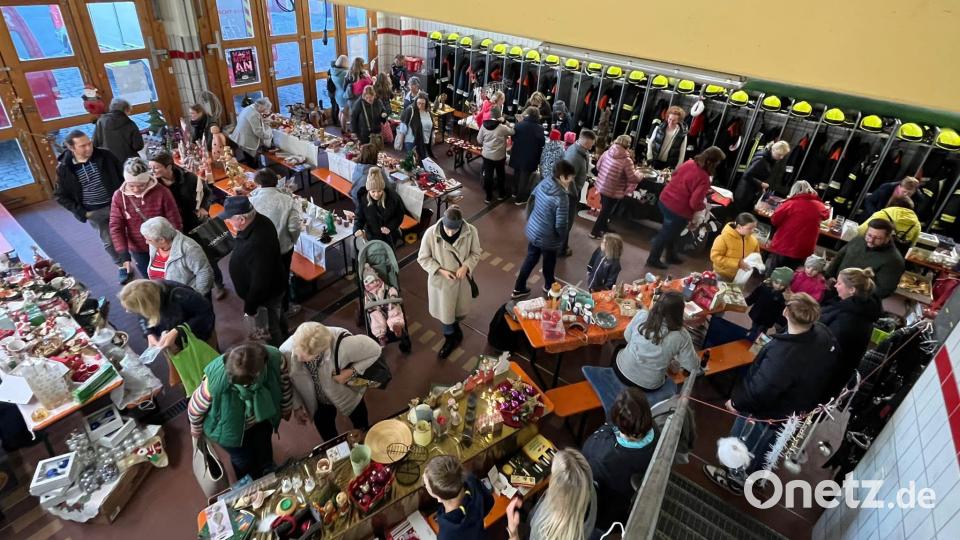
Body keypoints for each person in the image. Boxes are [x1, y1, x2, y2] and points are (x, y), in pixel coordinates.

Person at [704, 293, 838, 495]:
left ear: (786, 312)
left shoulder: (784, 353)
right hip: (791, 411)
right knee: (765, 447)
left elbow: (762, 389)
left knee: (745, 446)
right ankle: (755, 476)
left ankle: (735, 480)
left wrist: (737, 402)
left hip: (766, 413)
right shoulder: (822, 334)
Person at [188, 342, 293, 480]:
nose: (247, 388)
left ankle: (267, 468)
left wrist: (286, 406)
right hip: (228, 429)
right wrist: (196, 430)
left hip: (261, 417)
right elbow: (194, 409)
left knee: (264, 445)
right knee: (243, 459)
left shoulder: (275, 358)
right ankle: (249, 480)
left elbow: (285, 383)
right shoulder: (214, 383)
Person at [283, 322, 379, 440]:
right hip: (317, 400)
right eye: (297, 350)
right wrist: (297, 406)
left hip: (346, 392)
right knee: (327, 434)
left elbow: (375, 350)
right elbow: (289, 380)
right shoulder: (286, 351)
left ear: (320, 351)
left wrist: (351, 372)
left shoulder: (345, 345)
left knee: (360, 422)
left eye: (305, 356)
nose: (298, 357)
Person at [54, 130, 126, 282]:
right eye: (83, 146)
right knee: (109, 241)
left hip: (117, 204)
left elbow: (123, 175)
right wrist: (83, 213)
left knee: (133, 232)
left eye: (89, 143)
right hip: (94, 211)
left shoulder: (105, 156)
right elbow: (60, 196)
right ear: (71, 148)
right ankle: (121, 266)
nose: (89, 148)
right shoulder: (64, 168)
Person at [582, 388, 657, 532]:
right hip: (622, 508)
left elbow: (586, 454)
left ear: (618, 422)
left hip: (601, 511)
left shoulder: (605, 456)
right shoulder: (656, 432)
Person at [219, 196, 288, 345]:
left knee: (270, 328)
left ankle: (280, 351)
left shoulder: (257, 242)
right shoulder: (261, 221)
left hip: (266, 295)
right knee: (277, 314)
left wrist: (250, 306)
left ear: (242, 219)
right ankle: (285, 335)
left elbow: (260, 281)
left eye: (230, 219)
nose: (228, 221)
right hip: (275, 285)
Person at [417, 206, 482, 358]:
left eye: (455, 229)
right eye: (448, 229)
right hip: (442, 284)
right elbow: (423, 258)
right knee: (445, 314)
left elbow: (476, 253)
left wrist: (466, 266)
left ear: (461, 224)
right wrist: (440, 270)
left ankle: (456, 326)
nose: (450, 233)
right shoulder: (431, 233)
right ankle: (449, 339)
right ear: (443, 222)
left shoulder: (471, 231)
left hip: (461, 282)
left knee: (459, 312)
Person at [614, 291, 699, 405]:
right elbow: (693, 366)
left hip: (621, 372)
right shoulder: (682, 335)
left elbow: (627, 336)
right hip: (648, 385)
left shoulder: (643, 315)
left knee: (619, 347)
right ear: (680, 313)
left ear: (657, 304)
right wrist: (672, 355)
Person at [647, 147, 726, 269]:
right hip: (678, 209)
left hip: (664, 200)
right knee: (667, 234)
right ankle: (653, 259)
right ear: (712, 162)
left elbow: (674, 174)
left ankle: (671, 255)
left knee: (673, 231)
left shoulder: (689, 163)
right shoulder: (704, 178)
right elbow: (694, 203)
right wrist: (703, 206)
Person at [109, 157, 182, 279]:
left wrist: (175, 244)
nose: (136, 189)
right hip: (139, 248)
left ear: (148, 179)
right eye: (131, 186)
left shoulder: (162, 192)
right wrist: (124, 255)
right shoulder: (119, 196)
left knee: (173, 275)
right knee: (150, 278)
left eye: (141, 185)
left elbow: (174, 219)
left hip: (164, 244)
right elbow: (116, 227)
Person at [511, 160, 573, 298]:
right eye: (570, 177)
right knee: (549, 262)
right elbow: (561, 224)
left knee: (531, 259)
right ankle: (549, 286)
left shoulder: (544, 182)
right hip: (549, 237)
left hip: (535, 230)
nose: (571, 180)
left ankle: (518, 287)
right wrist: (562, 238)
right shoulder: (562, 197)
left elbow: (531, 201)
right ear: (562, 177)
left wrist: (531, 220)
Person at [506, 448, 598, 540]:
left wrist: (513, 533)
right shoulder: (587, 488)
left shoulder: (544, 531)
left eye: (552, 474)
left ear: (560, 493)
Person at [821, 267, 882, 396]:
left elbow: (827, 348)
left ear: (852, 290)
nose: (835, 286)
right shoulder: (859, 308)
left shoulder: (849, 320)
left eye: (839, 283)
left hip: (826, 378)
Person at [249, 169, 301, 314]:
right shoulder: (287, 200)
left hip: (259, 250)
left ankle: (267, 307)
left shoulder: (251, 201)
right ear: (276, 182)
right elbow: (294, 227)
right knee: (283, 277)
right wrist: (292, 240)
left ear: (258, 184)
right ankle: (285, 308)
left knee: (264, 277)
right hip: (282, 248)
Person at [119, 278, 216, 350]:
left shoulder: (179, 294)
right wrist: (149, 333)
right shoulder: (148, 298)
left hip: (200, 339)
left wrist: (178, 331)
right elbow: (142, 316)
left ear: (148, 304)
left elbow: (206, 313)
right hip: (174, 343)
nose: (127, 312)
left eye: (132, 310)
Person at [824, 219, 905, 298]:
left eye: (878, 238)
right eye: (869, 235)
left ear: (888, 238)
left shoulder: (894, 260)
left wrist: (853, 296)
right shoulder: (859, 239)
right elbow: (839, 257)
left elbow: (883, 291)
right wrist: (827, 276)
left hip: (856, 300)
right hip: (835, 286)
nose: (871, 240)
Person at [140, 217, 214, 298]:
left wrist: (196, 298)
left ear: (162, 240)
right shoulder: (154, 245)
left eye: (149, 240)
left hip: (187, 298)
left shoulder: (189, 248)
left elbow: (204, 273)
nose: (146, 242)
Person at [423, 455, 493, 540]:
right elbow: (490, 501)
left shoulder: (447, 535)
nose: (425, 486)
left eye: (426, 486)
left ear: (439, 498)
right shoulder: (470, 479)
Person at [765, 180, 829, 273]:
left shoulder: (790, 204)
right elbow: (826, 216)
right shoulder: (820, 206)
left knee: (773, 271)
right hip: (804, 248)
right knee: (790, 273)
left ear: (794, 190)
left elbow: (774, 220)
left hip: (785, 244)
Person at [589, 135, 643, 238]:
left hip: (602, 186)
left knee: (605, 209)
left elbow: (598, 167)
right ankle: (594, 232)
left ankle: (604, 227)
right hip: (614, 190)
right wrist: (640, 174)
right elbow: (633, 178)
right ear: (628, 145)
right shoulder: (627, 160)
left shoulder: (606, 152)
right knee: (605, 212)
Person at [148, 150, 210, 234]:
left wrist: (203, 207)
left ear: (169, 167)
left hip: (196, 220)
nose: (152, 171)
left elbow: (207, 192)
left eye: (155, 168)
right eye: (150, 168)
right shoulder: (153, 185)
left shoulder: (189, 177)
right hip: (173, 226)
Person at [561, 129, 596, 256]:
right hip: (569, 194)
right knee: (566, 222)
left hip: (570, 192)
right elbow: (567, 178)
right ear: (584, 142)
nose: (591, 147)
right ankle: (561, 249)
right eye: (590, 145)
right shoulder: (575, 156)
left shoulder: (581, 151)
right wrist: (575, 193)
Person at [732, 141, 790, 215]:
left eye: (783, 155)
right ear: (773, 150)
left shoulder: (768, 159)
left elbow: (757, 175)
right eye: (779, 154)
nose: (781, 157)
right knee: (738, 215)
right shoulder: (762, 160)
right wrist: (761, 184)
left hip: (749, 191)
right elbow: (747, 175)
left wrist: (761, 186)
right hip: (745, 193)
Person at [354, 167, 405, 245]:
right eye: (373, 191)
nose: (376, 194)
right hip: (371, 235)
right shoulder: (363, 199)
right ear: (368, 190)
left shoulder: (393, 198)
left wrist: (390, 227)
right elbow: (359, 217)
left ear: (383, 189)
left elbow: (399, 215)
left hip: (389, 236)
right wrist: (357, 229)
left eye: (379, 191)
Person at [857, 195, 922, 254]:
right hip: (895, 256)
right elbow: (912, 246)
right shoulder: (917, 224)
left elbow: (860, 232)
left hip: (872, 252)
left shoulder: (883, 214)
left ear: (892, 203)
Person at [476, 106, 514, 203]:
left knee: (488, 175)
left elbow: (479, 140)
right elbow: (513, 131)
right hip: (499, 156)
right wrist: (505, 122)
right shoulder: (502, 128)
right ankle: (501, 194)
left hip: (487, 155)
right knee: (500, 174)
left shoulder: (483, 126)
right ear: (499, 115)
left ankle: (488, 196)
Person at [509, 107, 546, 205]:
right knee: (524, 177)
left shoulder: (519, 124)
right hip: (530, 156)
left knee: (517, 173)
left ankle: (514, 193)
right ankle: (519, 199)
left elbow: (513, 138)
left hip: (517, 153)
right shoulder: (539, 128)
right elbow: (542, 143)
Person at [710, 213, 761, 282]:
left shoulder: (754, 241)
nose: (752, 231)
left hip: (740, 277)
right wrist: (737, 263)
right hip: (722, 275)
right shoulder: (723, 238)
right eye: (749, 228)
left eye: (754, 228)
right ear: (739, 227)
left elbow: (756, 255)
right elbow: (715, 257)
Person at [93, 98, 144, 164]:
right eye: (129, 111)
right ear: (125, 110)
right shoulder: (130, 124)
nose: (129, 114)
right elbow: (138, 146)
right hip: (129, 162)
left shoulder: (100, 122)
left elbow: (95, 144)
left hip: (109, 162)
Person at [746, 267, 793, 338]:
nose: (778, 286)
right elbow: (754, 296)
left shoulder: (784, 296)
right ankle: (752, 332)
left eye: (782, 285)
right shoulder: (764, 286)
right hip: (757, 313)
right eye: (776, 283)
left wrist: (781, 321)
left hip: (768, 319)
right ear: (772, 279)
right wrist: (746, 301)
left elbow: (782, 310)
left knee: (761, 331)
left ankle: (757, 339)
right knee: (754, 325)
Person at [230, 98, 273, 167]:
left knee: (249, 158)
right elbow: (258, 132)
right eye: (265, 109)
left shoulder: (249, 107)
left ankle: (254, 167)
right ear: (260, 106)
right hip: (246, 140)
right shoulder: (254, 114)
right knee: (251, 161)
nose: (265, 111)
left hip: (240, 136)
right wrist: (270, 135)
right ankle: (254, 170)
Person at [645, 106, 688, 170]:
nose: (670, 122)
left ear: (678, 121)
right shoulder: (659, 128)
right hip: (654, 161)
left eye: (674, 120)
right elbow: (650, 142)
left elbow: (682, 153)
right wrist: (649, 156)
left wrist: (677, 168)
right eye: (669, 119)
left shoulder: (682, 135)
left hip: (669, 165)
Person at [399, 92, 435, 165]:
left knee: (422, 163)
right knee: (412, 164)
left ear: (426, 103)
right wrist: (401, 141)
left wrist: (433, 137)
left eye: (423, 104)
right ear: (416, 102)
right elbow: (403, 126)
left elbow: (432, 126)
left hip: (424, 142)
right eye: (419, 103)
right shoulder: (410, 110)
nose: (420, 105)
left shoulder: (428, 112)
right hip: (411, 141)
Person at [330, 55, 351, 131]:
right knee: (344, 113)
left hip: (337, 94)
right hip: (344, 95)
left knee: (341, 111)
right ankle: (344, 129)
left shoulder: (333, 71)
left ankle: (342, 127)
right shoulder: (345, 73)